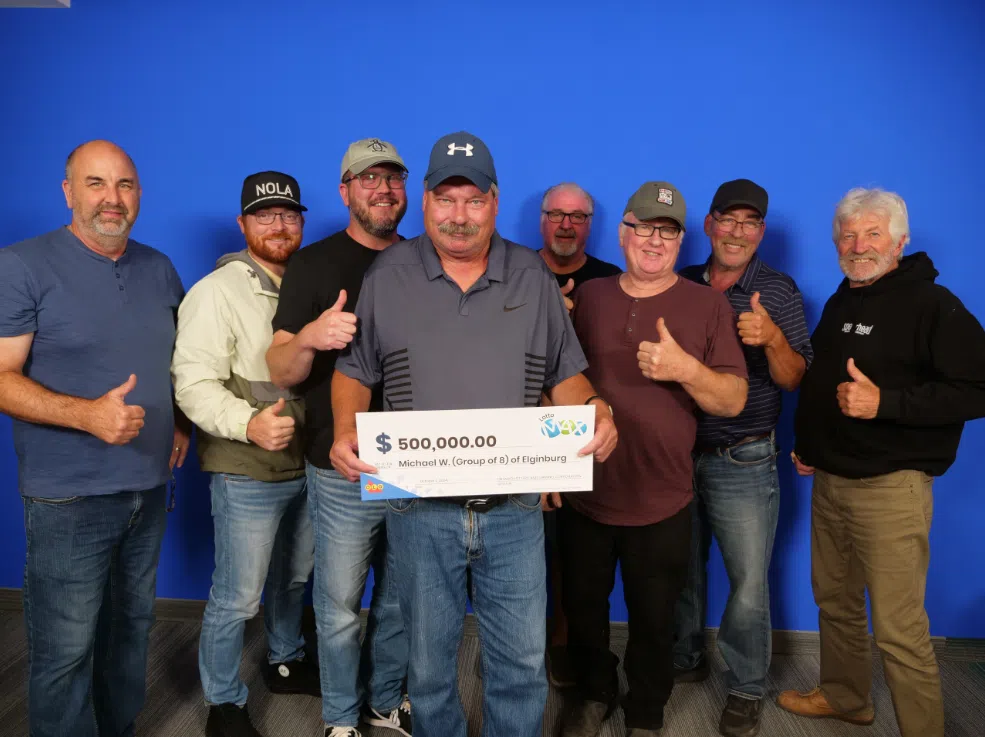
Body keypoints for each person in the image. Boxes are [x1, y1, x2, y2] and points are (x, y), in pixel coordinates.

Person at [330, 131, 618, 737]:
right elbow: (355, 371)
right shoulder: (388, 275)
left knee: (520, 663)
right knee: (429, 666)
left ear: (494, 202)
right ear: (426, 200)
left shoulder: (532, 276)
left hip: (513, 510)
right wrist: (343, 430)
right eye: (446, 199)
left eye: (474, 201)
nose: (458, 216)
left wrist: (598, 409)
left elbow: (565, 374)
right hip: (418, 509)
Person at [776, 187, 985, 737]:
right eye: (848, 235)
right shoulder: (843, 300)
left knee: (898, 628)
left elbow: (977, 389)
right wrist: (810, 443)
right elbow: (823, 382)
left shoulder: (933, 305)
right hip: (830, 482)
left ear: (900, 240)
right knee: (835, 603)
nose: (859, 245)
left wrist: (885, 404)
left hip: (891, 490)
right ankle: (846, 698)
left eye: (873, 233)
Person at [0, 140, 189, 737]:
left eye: (125, 185)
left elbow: (179, 361)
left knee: (129, 632)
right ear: (68, 192)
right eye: (96, 183)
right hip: (69, 496)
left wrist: (182, 422)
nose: (113, 198)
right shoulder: (21, 266)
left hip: (148, 487)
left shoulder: (159, 268)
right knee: (66, 649)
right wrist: (86, 416)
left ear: (139, 194)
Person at [560, 182, 748, 737]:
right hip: (586, 490)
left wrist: (685, 369)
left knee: (655, 616)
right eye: (644, 227)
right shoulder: (590, 296)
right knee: (583, 608)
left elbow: (733, 400)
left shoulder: (707, 304)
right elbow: (555, 378)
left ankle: (645, 710)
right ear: (623, 232)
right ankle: (594, 693)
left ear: (682, 240)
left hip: (663, 497)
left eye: (667, 231)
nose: (654, 240)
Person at [266, 139, 412, 737]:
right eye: (368, 179)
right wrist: (310, 337)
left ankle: (385, 702)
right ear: (345, 190)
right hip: (340, 465)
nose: (382, 190)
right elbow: (280, 369)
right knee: (340, 604)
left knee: (400, 600)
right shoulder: (313, 264)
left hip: (416, 459)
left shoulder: (426, 260)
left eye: (392, 179)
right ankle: (341, 718)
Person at [172, 171, 318, 737]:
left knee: (294, 579)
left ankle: (285, 659)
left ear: (300, 221)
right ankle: (223, 702)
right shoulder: (216, 292)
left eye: (288, 214)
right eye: (264, 215)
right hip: (247, 469)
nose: (278, 225)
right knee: (237, 595)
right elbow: (192, 383)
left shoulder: (308, 284)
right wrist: (247, 424)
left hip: (310, 463)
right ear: (242, 223)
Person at [673, 179, 813, 737]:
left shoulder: (777, 290)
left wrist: (773, 338)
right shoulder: (682, 283)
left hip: (744, 457)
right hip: (679, 452)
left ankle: (747, 685)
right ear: (709, 225)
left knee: (748, 581)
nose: (736, 232)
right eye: (727, 220)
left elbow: (795, 377)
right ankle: (685, 657)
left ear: (761, 232)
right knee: (681, 569)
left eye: (749, 223)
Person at [536, 181, 622, 687]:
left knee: (576, 555)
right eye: (556, 214)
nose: (566, 225)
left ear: (590, 224)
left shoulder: (610, 281)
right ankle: (524, 646)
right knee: (525, 554)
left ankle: (564, 649)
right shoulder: (516, 271)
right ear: (542, 219)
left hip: (590, 434)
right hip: (524, 436)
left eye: (578, 217)